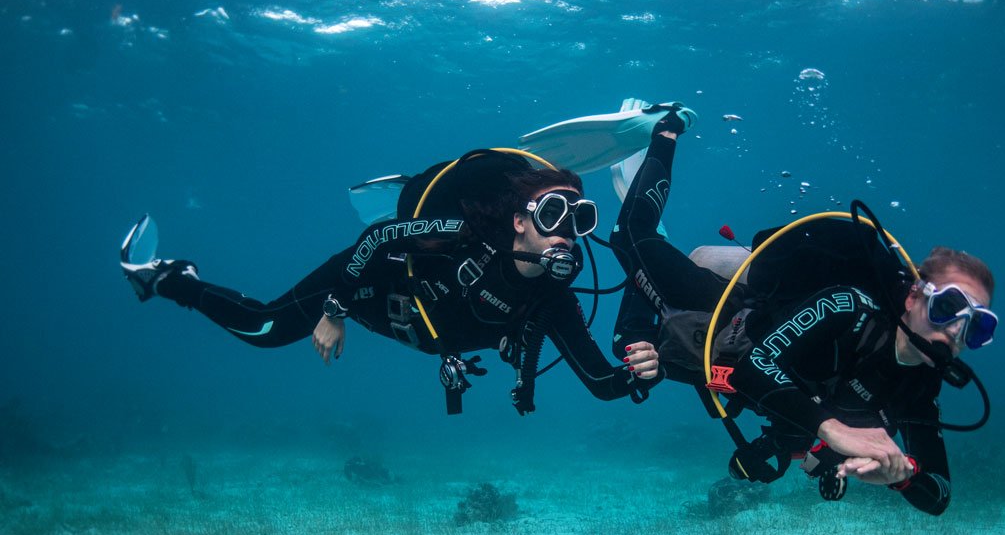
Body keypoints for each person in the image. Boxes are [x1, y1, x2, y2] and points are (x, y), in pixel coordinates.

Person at [607, 113, 997, 516]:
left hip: (734, 373)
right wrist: (836, 431)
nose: (955, 330)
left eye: (978, 326)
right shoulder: (849, 306)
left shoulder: (919, 387)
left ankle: (681, 255)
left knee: (669, 349)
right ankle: (663, 132)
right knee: (629, 238)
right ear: (915, 296)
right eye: (948, 307)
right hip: (730, 315)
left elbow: (939, 494)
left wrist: (903, 475)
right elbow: (754, 367)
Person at [120, 148, 660, 414]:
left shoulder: (554, 300)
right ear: (519, 220)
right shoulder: (464, 234)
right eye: (550, 215)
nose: (565, 233)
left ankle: (167, 279)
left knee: (265, 331)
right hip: (366, 287)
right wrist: (334, 310)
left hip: (419, 328)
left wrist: (641, 371)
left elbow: (601, 384)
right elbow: (378, 238)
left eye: (578, 220)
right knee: (263, 329)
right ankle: (168, 278)